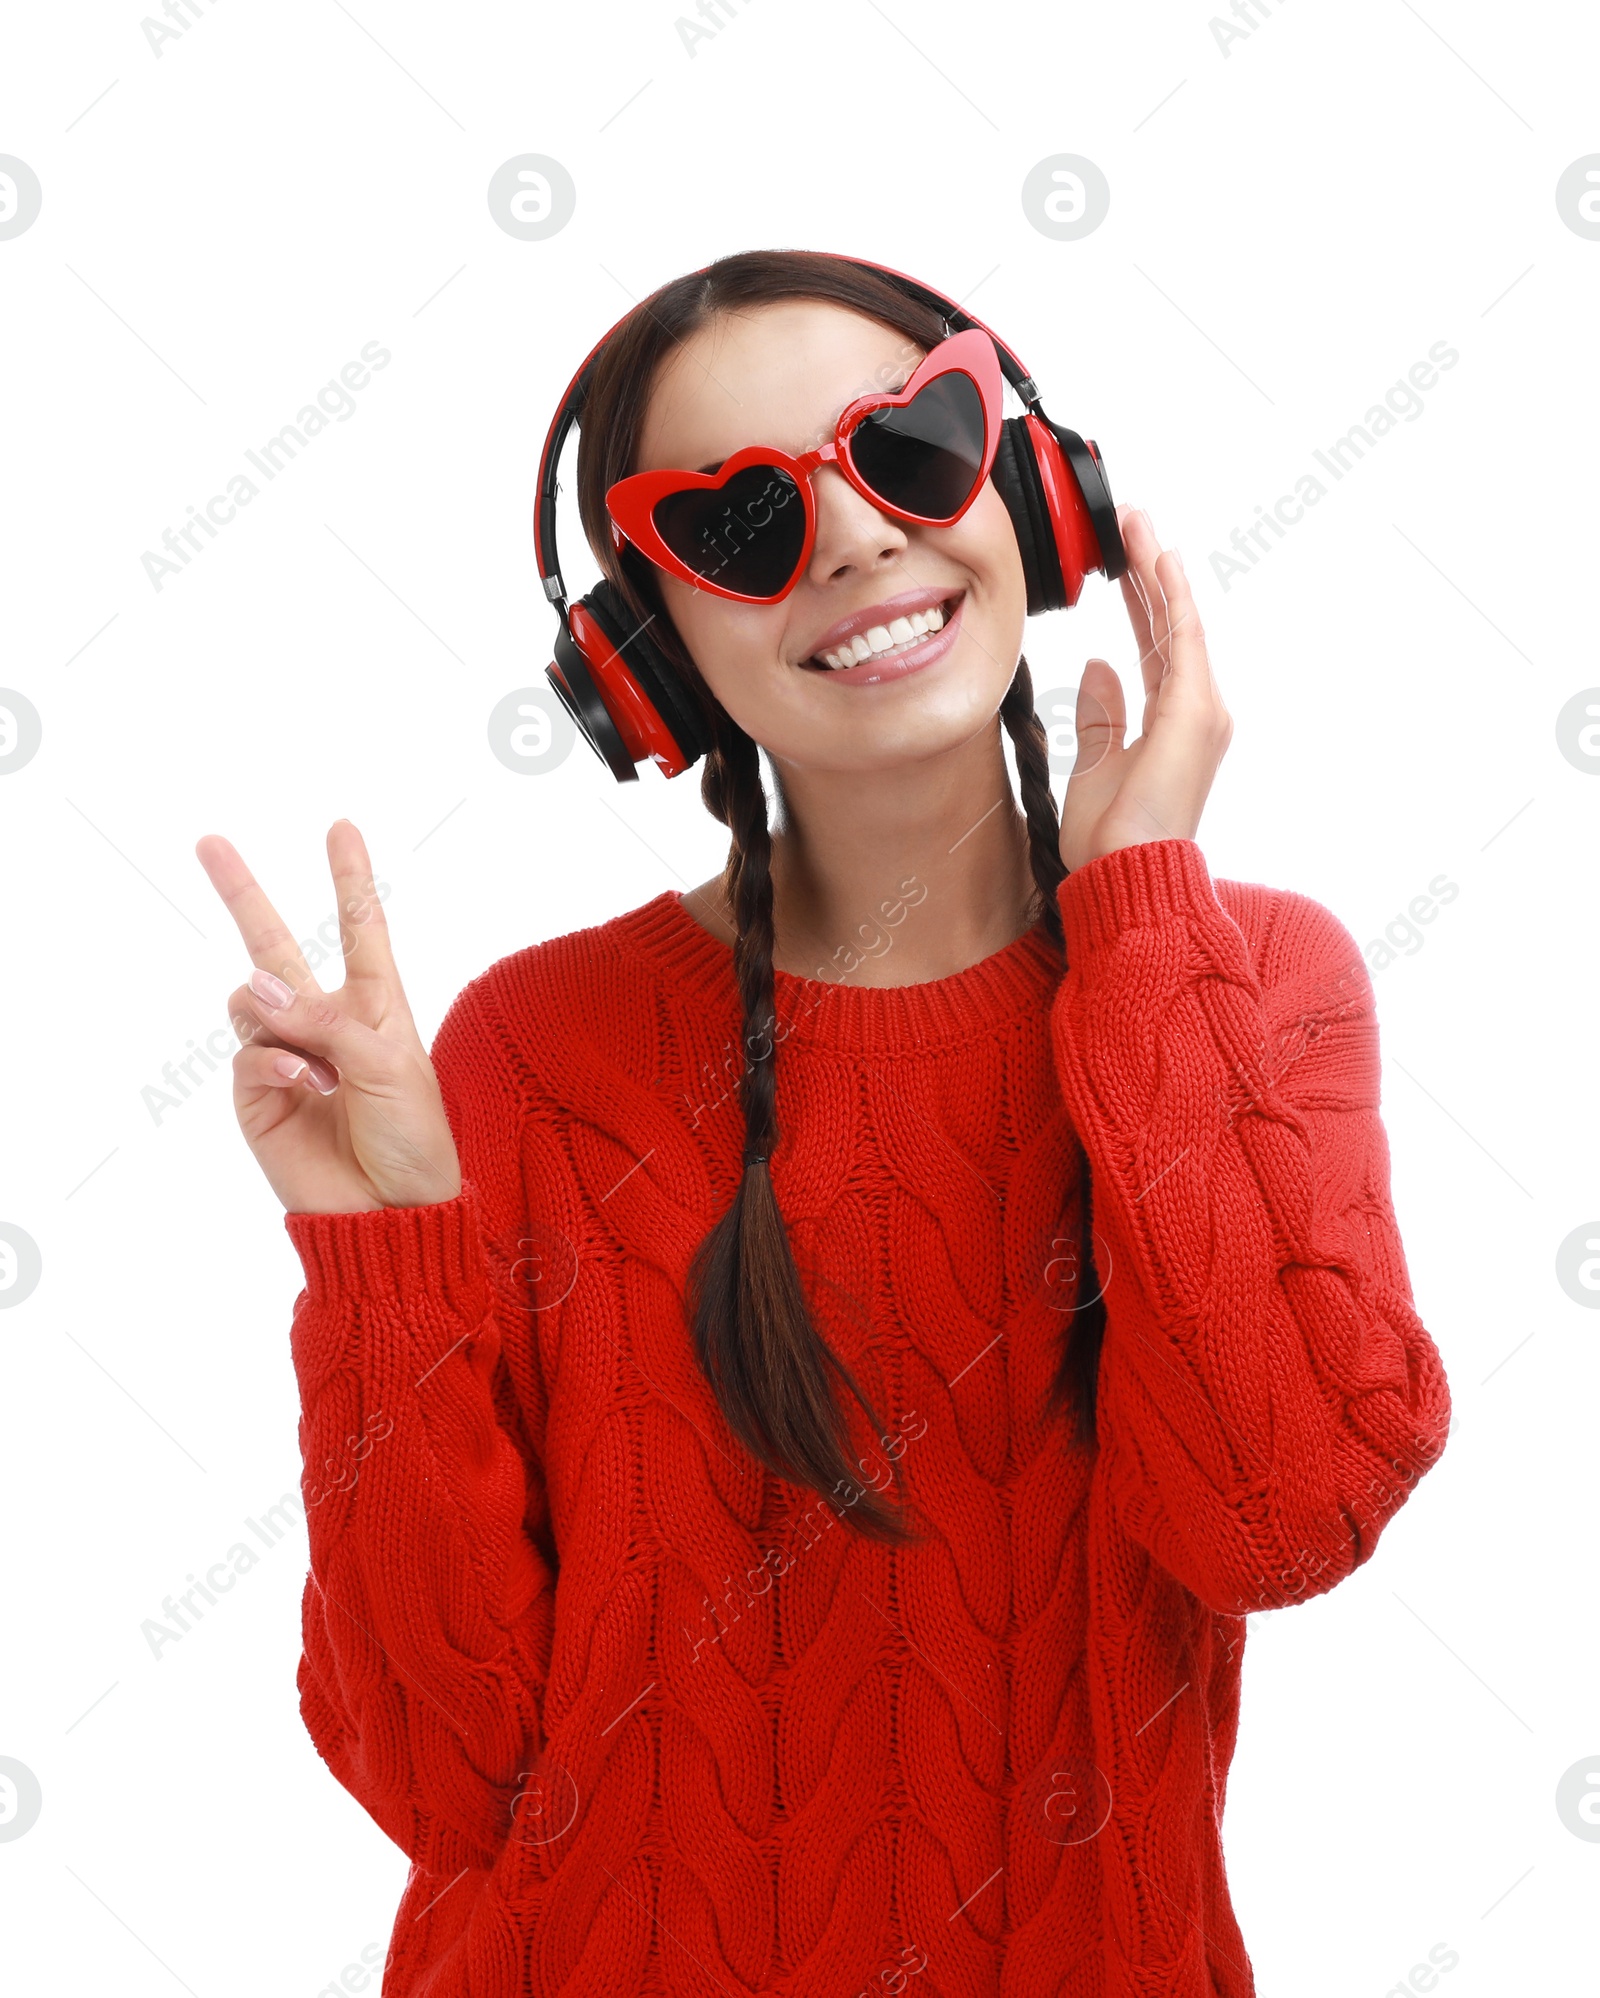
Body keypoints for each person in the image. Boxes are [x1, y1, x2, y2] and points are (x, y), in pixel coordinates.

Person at [195, 250, 1451, 1998]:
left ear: (1031, 485)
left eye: (911, 446)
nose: (858, 535)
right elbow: (447, 1778)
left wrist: (1143, 911)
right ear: (646, 652)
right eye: (740, 523)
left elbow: (1283, 1513)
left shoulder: (1250, 979)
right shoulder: (535, 1056)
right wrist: (380, 1254)